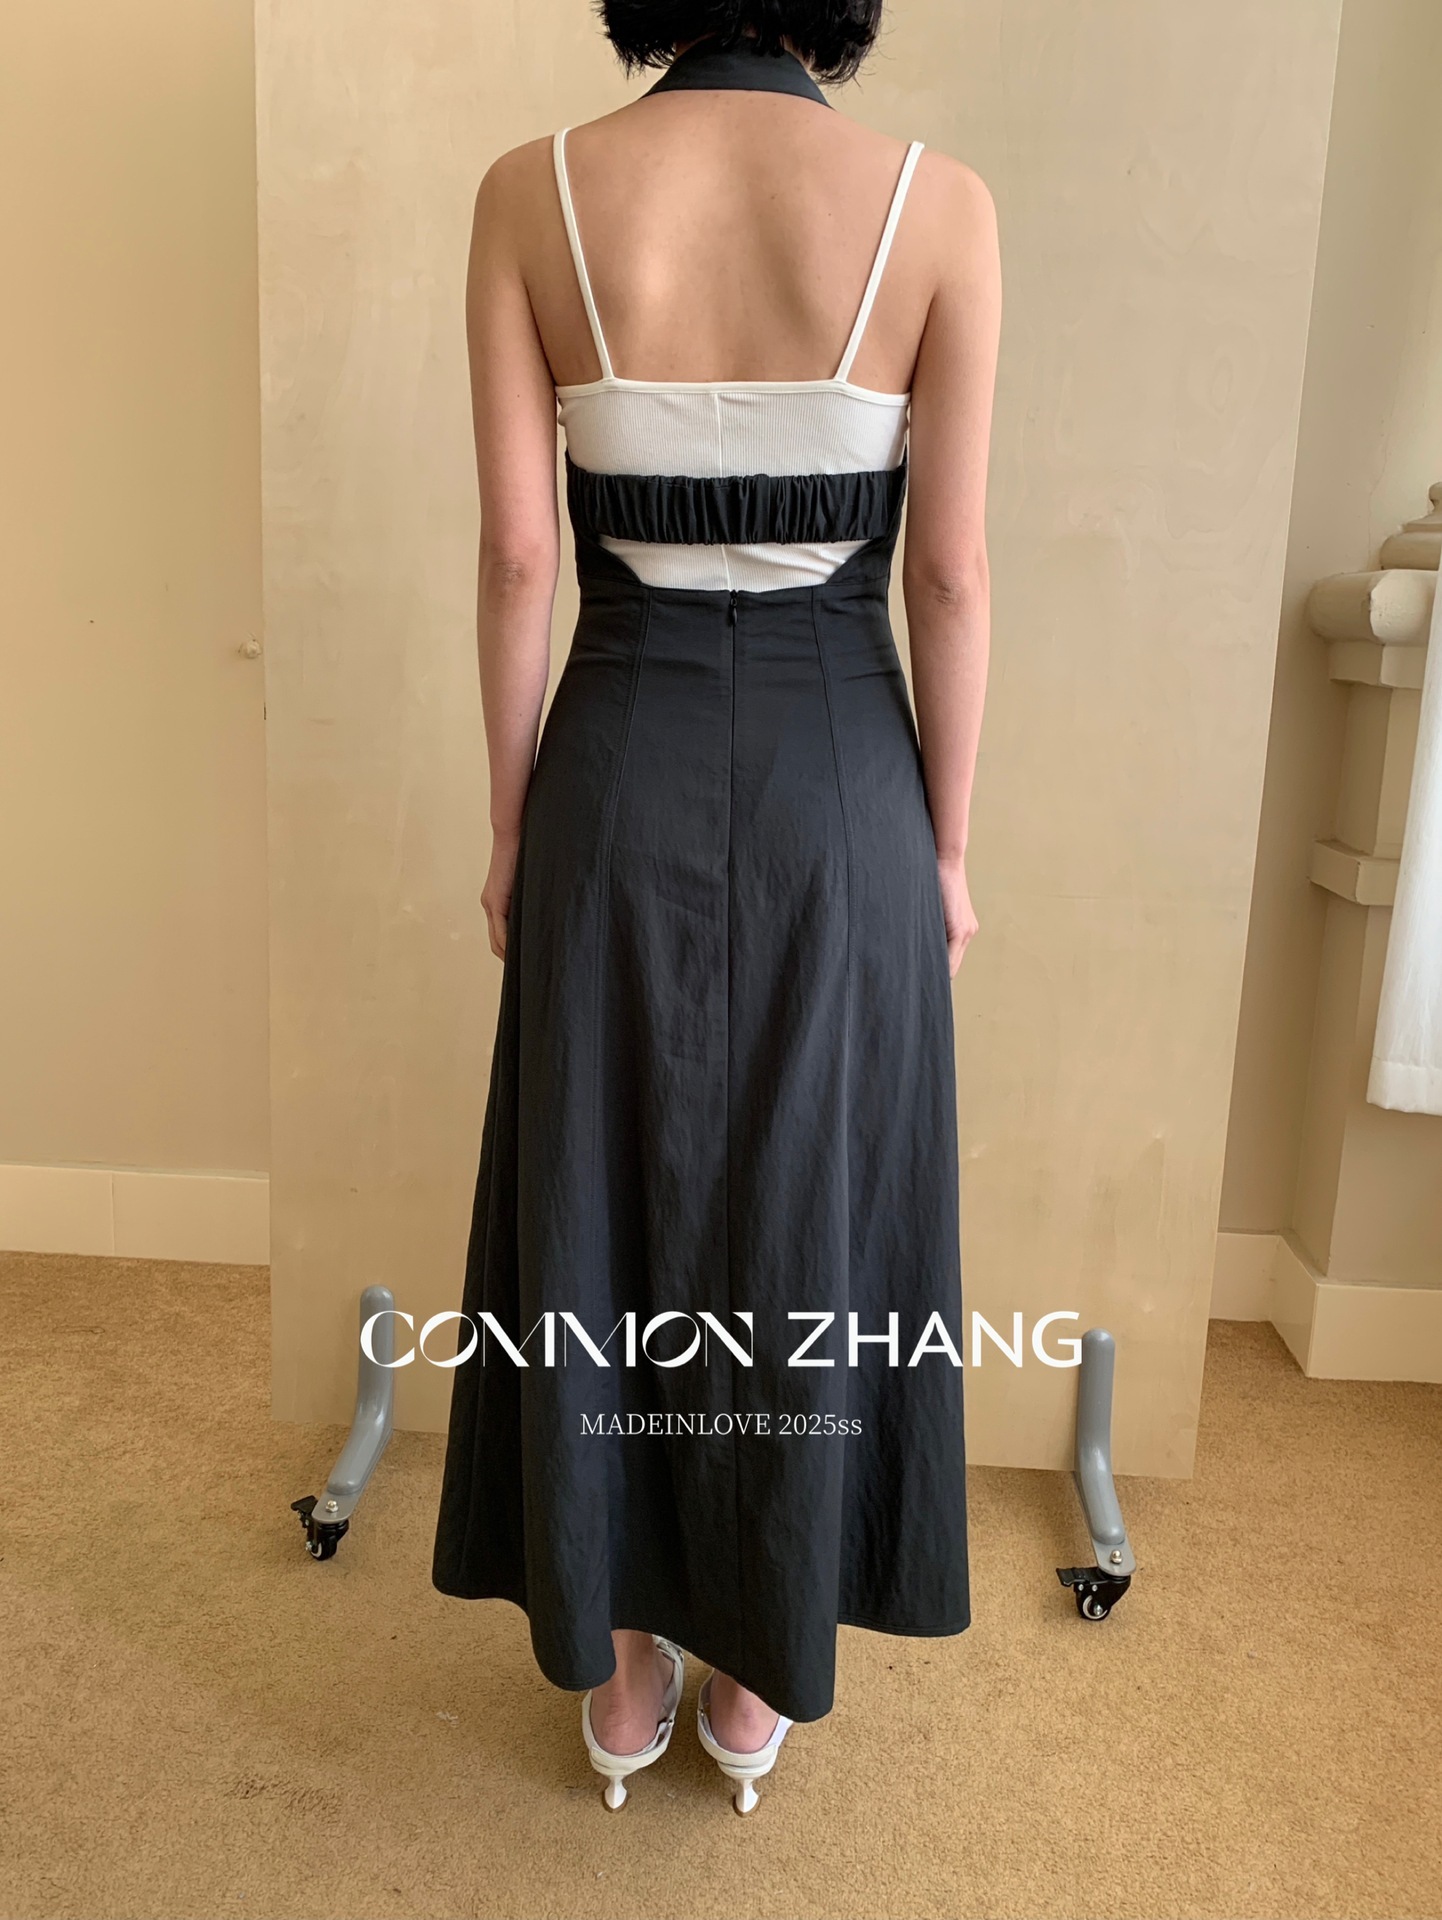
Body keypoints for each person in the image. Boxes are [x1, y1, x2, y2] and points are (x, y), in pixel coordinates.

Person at [432, 0, 1000, 1814]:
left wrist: (512, 830)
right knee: (810, 1198)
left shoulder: (531, 192)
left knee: (601, 1188)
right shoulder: (937, 204)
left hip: (616, 759)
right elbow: (947, 573)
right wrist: (945, 852)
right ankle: (757, 1671)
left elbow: (520, 555)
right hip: (843, 776)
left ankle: (620, 1666)